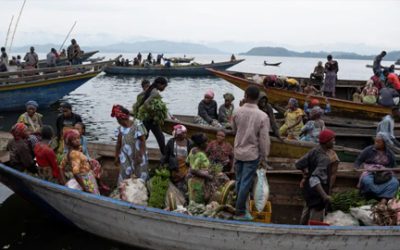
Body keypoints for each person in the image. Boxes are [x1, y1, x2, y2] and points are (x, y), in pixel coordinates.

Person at [232, 86, 270, 220]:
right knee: (245, 183)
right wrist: (264, 157)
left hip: (238, 151)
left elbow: (234, 129)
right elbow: (264, 140)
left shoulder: (237, 111)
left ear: (246, 95)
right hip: (252, 154)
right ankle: (240, 211)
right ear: (258, 99)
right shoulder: (263, 116)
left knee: (239, 180)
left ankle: (238, 206)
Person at [296, 129, 339, 224]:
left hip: (308, 191)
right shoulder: (324, 158)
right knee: (315, 222)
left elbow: (298, 164)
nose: (334, 142)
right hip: (317, 193)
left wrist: (306, 173)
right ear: (327, 141)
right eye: (333, 140)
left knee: (306, 214)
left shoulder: (314, 150)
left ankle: (300, 231)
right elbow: (314, 179)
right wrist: (325, 196)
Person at [354, 133, 399, 203]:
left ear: (384, 143)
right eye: (375, 141)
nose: (376, 143)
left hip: (384, 173)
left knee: (394, 182)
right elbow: (359, 160)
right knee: (367, 181)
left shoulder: (389, 153)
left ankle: (383, 200)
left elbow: (393, 166)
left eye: (378, 142)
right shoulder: (368, 150)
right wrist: (356, 167)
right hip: (370, 172)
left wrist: (397, 170)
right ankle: (373, 197)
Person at [111, 105, 148, 184]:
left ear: (123, 118)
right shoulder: (120, 128)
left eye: (118, 120)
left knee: (140, 176)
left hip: (138, 153)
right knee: (124, 175)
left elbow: (143, 141)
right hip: (125, 155)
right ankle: (123, 192)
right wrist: (116, 156)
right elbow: (118, 143)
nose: (118, 122)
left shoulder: (137, 124)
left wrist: (140, 155)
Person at [60, 130, 100, 194]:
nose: (77, 140)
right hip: (85, 178)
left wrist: (64, 183)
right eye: (74, 139)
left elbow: (61, 167)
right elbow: (76, 173)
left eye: (78, 138)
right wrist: (84, 187)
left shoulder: (71, 152)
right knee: (93, 195)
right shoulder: (75, 154)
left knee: (92, 193)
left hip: (85, 176)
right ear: (70, 142)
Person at [136, 77, 168, 155]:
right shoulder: (155, 92)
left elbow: (142, 98)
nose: (164, 88)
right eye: (164, 86)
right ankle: (165, 157)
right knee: (160, 137)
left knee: (144, 137)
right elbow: (146, 103)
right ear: (160, 84)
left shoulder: (151, 89)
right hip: (150, 119)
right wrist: (153, 113)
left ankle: (135, 151)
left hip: (145, 119)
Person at [162, 124, 193, 193]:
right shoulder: (171, 142)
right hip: (174, 166)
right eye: (183, 133)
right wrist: (162, 165)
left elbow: (192, 157)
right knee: (176, 179)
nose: (185, 134)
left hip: (185, 166)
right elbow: (166, 155)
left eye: (185, 133)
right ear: (178, 134)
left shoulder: (189, 143)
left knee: (185, 181)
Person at [187, 133, 212, 204]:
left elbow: (187, 162)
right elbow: (194, 170)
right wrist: (208, 175)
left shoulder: (192, 150)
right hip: (198, 183)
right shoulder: (200, 155)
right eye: (206, 142)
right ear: (201, 144)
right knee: (198, 204)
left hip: (192, 181)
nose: (208, 143)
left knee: (192, 203)